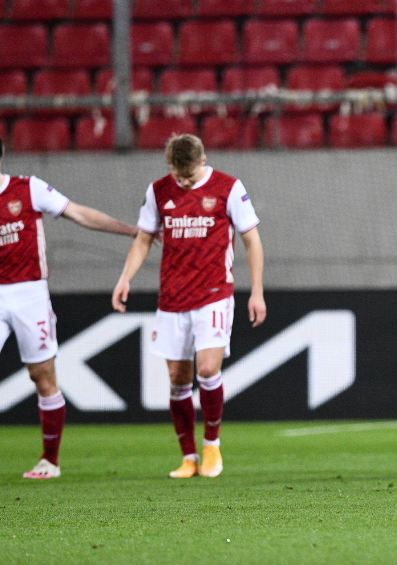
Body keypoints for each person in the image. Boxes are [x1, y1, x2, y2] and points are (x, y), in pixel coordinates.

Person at [0, 131, 139, 481]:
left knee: (43, 378)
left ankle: (49, 462)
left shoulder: (29, 189)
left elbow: (79, 214)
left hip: (30, 295)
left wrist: (130, 231)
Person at [112, 134, 265, 479]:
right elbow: (144, 239)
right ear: (170, 166)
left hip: (214, 293)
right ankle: (188, 457)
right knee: (177, 380)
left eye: (190, 176)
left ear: (203, 160)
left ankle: (212, 445)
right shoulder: (158, 191)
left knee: (207, 370)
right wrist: (125, 279)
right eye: (178, 175)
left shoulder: (228, 188)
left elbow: (252, 241)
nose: (183, 182)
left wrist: (257, 292)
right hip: (173, 298)